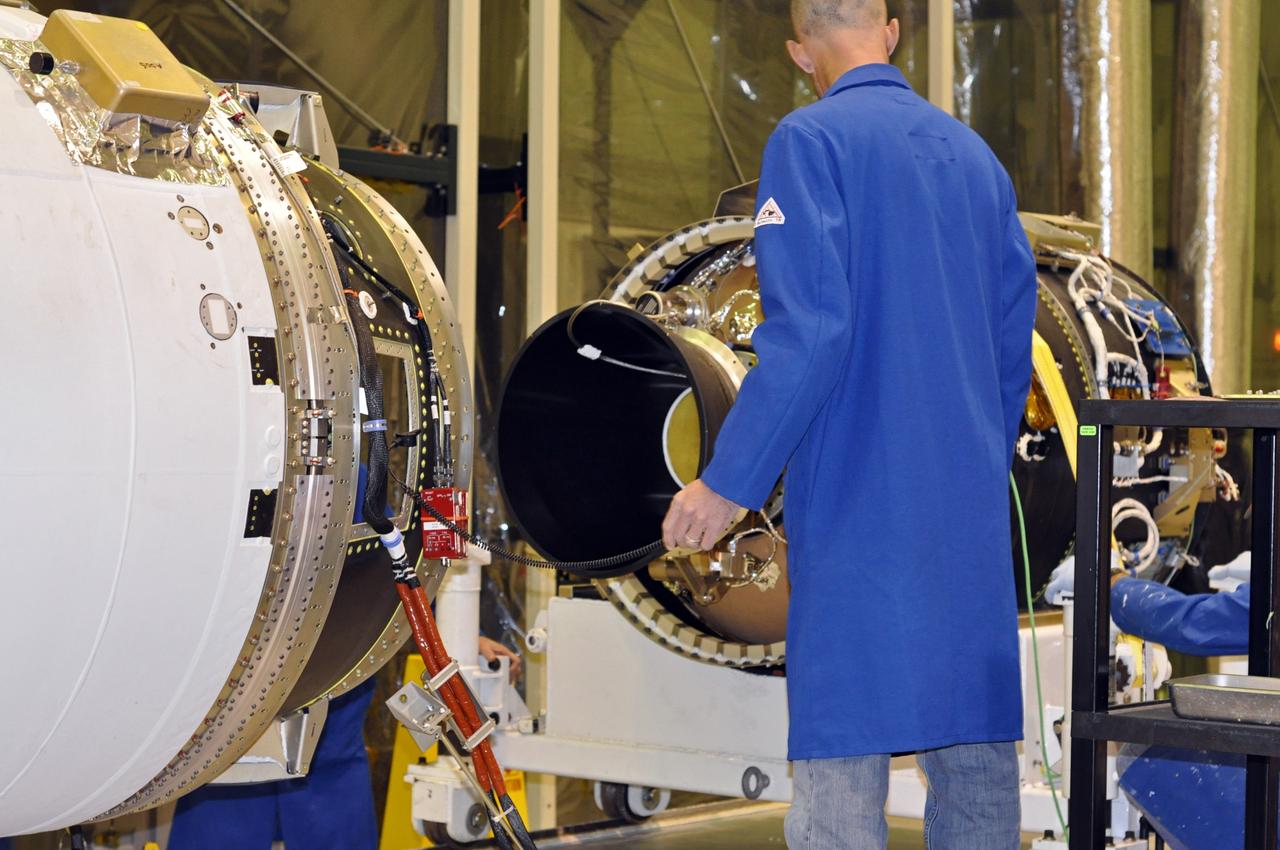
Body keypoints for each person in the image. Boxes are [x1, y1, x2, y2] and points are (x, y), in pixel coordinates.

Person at [659, 1, 1038, 847]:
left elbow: (811, 336)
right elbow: (1013, 346)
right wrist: (975, 457)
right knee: (975, 764)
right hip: (965, 516)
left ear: (801, 53)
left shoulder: (809, 142)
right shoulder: (977, 160)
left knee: (841, 768)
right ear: (891, 32)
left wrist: (728, 482)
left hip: (860, 510)